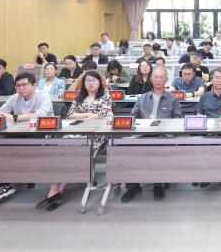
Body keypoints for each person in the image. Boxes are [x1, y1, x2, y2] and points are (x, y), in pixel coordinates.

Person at [39, 71, 111, 211]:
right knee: (60, 152)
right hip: (74, 133)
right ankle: (54, 191)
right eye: (88, 80)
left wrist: (81, 117)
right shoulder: (78, 98)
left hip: (95, 135)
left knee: (75, 154)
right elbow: (70, 115)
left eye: (94, 80)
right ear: (83, 83)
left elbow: (101, 116)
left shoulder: (105, 97)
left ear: (99, 83)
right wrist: (90, 115)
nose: (91, 83)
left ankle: (56, 192)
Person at [0, 72, 54, 205]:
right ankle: (4, 185)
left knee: (24, 149)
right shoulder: (15, 97)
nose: (21, 88)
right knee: (0, 147)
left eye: (25, 84)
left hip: (40, 131)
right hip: (18, 130)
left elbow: (40, 114)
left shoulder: (43, 95)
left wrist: (15, 118)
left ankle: (17, 177)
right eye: (18, 85)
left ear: (34, 85)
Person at [121, 66, 182, 202]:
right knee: (124, 147)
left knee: (157, 148)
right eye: (155, 77)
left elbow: (177, 121)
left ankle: (157, 185)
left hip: (164, 136)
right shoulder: (142, 98)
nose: (158, 80)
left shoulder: (173, 99)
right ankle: (132, 186)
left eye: (161, 77)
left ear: (166, 80)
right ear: (151, 79)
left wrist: (161, 128)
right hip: (143, 134)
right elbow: (133, 117)